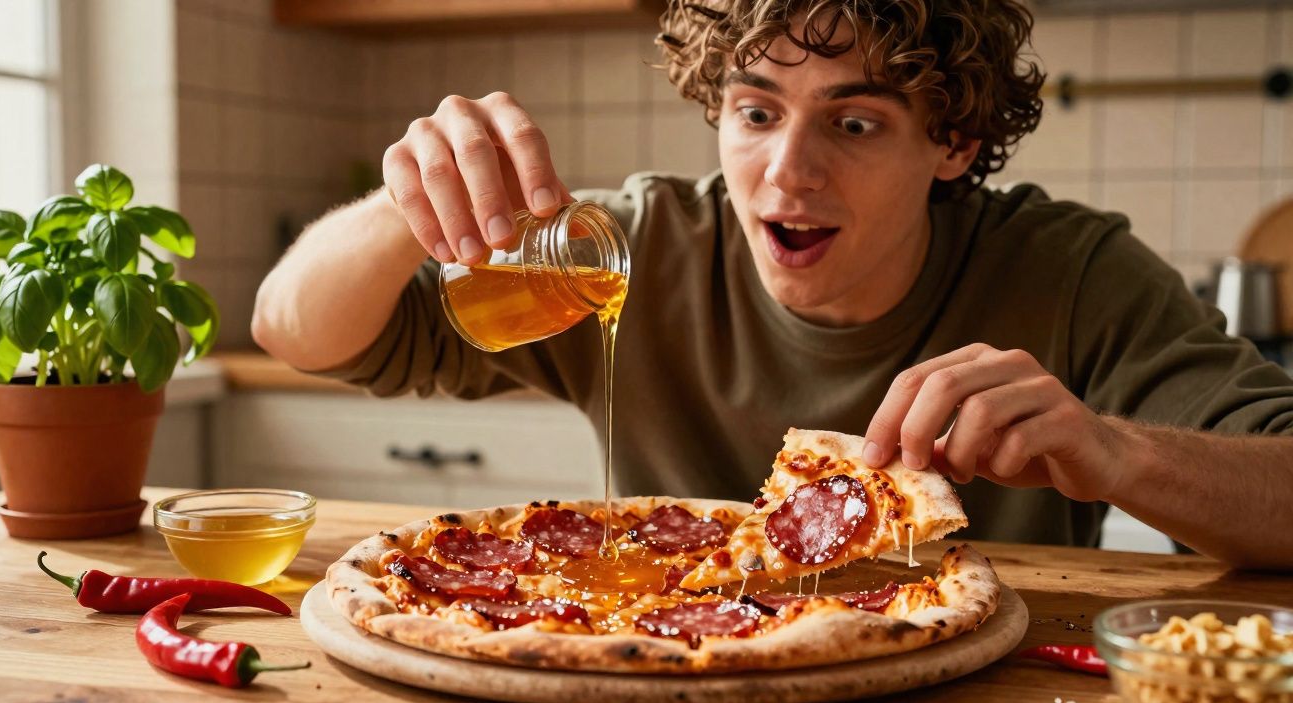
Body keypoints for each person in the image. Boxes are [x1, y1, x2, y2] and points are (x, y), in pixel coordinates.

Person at [252, 0, 1293, 569]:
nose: (788, 173)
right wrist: (408, 205)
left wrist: (1111, 451)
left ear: (952, 142)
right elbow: (297, 330)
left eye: (853, 122)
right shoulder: (636, 244)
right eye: (754, 112)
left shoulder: (1069, 273)